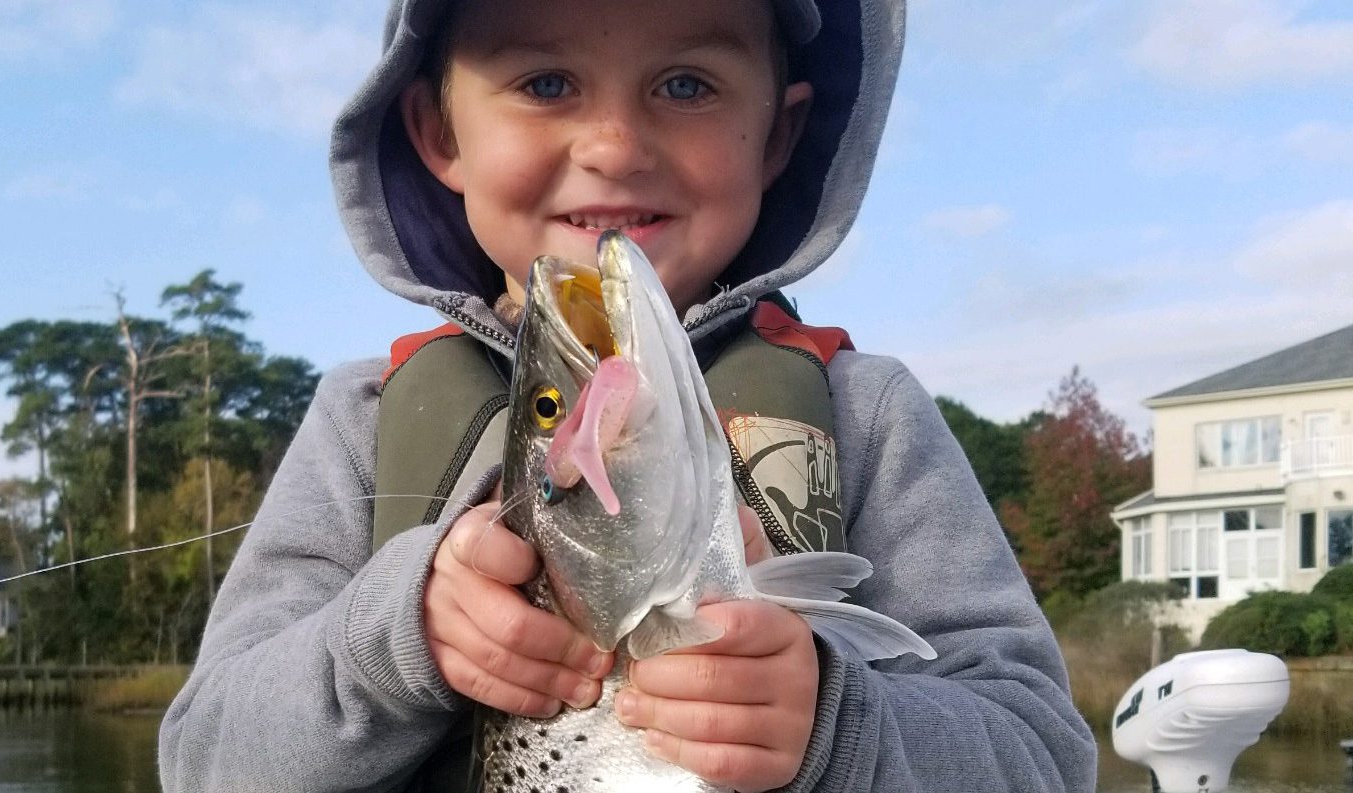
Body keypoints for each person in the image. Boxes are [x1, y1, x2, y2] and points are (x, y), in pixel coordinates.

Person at [158, 0, 1097, 791]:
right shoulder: (361, 418)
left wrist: (838, 728)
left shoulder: (869, 411)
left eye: (686, 84)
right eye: (545, 84)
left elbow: (1043, 752)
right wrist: (396, 641)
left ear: (779, 135)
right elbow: (201, 758)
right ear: (440, 133)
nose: (613, 145)